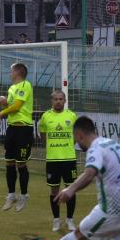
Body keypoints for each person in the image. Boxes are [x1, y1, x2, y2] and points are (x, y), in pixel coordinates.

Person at [0, 62, 34, 212]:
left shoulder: (25, 85)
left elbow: (17, 106)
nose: (10, 73)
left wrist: (1, 113)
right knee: (9, 162)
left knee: (21, 164)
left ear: (17, 72)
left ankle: (24, 195)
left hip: (24, 129)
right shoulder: (11, 88)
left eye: (11, 71)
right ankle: (11, 194)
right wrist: (5, 104)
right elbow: (11, 107)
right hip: (12, 129)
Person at [37, 90, 78, 232]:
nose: (58, 101)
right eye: (56, 99)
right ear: (52, 101)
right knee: (54, 190)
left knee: (71, 189)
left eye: (61, 99)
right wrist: (49, 146)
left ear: (65, 101)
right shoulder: (46, 116)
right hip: (53, 160)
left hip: (69, 159)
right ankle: (56, 220)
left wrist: (68, 145)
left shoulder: (72, 116)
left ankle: (70, 220)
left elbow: (77, 134)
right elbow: (42, 133)